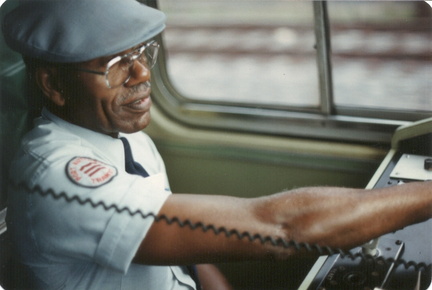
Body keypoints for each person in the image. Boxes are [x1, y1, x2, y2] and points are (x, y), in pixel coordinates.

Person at [1, 0, 431, 289]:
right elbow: (282, 229)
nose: (142, 75)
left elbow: (187, 252)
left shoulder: (127, 139)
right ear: (53, 86)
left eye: (142, 54)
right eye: (115, 65)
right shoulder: (58, 178)